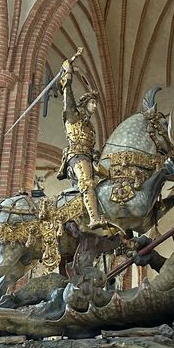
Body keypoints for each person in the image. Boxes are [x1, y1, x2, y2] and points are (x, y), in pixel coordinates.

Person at [57, 55, 108, 230]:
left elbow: (91, 148)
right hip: (75, 157)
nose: (95, 106)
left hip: (88, 157)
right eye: (92, 102)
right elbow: (68, 98)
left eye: (96, 103)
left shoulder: (90, 127)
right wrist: (69, 74)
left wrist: (96, 156)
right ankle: (94, 218)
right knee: (87, 182)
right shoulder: (73, 116)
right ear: (85, 103)